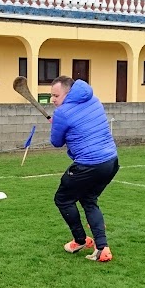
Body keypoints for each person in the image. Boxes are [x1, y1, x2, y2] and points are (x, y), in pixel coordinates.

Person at [50, 76, 119, 262]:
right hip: (111, 161)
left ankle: (80, 240)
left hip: (89, 164)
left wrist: (57, 125)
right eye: (52, 96)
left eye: (56, 96)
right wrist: (59, 124)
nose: (52, 100)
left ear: (68, 93)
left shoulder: (62, 113)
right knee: (89, 199)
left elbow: (56, 142)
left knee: (63, 199)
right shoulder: (93, 99)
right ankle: (102, 249)